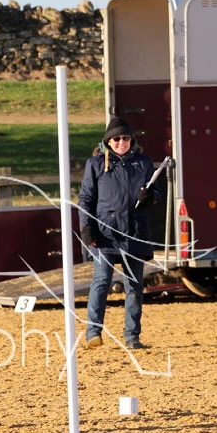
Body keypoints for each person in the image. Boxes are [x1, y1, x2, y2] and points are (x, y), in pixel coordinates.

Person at [78, 117, 158, 350]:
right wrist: (86, 228)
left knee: (134, 286)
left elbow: (156, 192)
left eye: (125, 138)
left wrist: (150, 196)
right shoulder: (95, 164)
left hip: (135, 232)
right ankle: (93, 332)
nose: (121, 142)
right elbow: (86, 199)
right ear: (108, 142)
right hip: (105, 233)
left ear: (131, 140)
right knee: (101, 282)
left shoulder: (143, 162)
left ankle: (132, 336)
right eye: (116, 139)